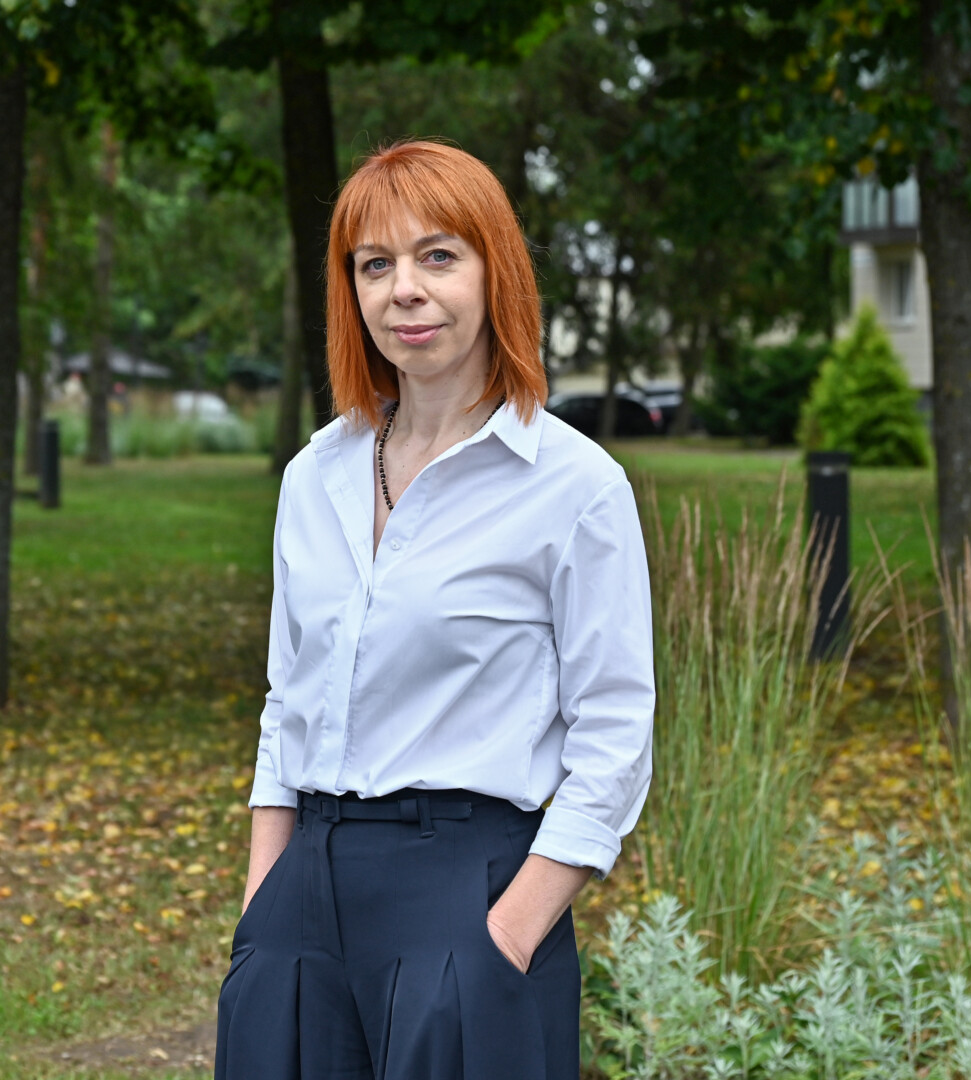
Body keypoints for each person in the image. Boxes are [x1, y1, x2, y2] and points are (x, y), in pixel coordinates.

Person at [215, 140, 654, 1080]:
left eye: (438, 256)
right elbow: (286, 705)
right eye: (374, 264)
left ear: (495, 272)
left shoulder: (575, 486)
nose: (404, 290)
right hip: (299, 909)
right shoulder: (315, 475)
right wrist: (261, 909)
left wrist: (509, 934)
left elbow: (615, 731)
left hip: (469, 903)